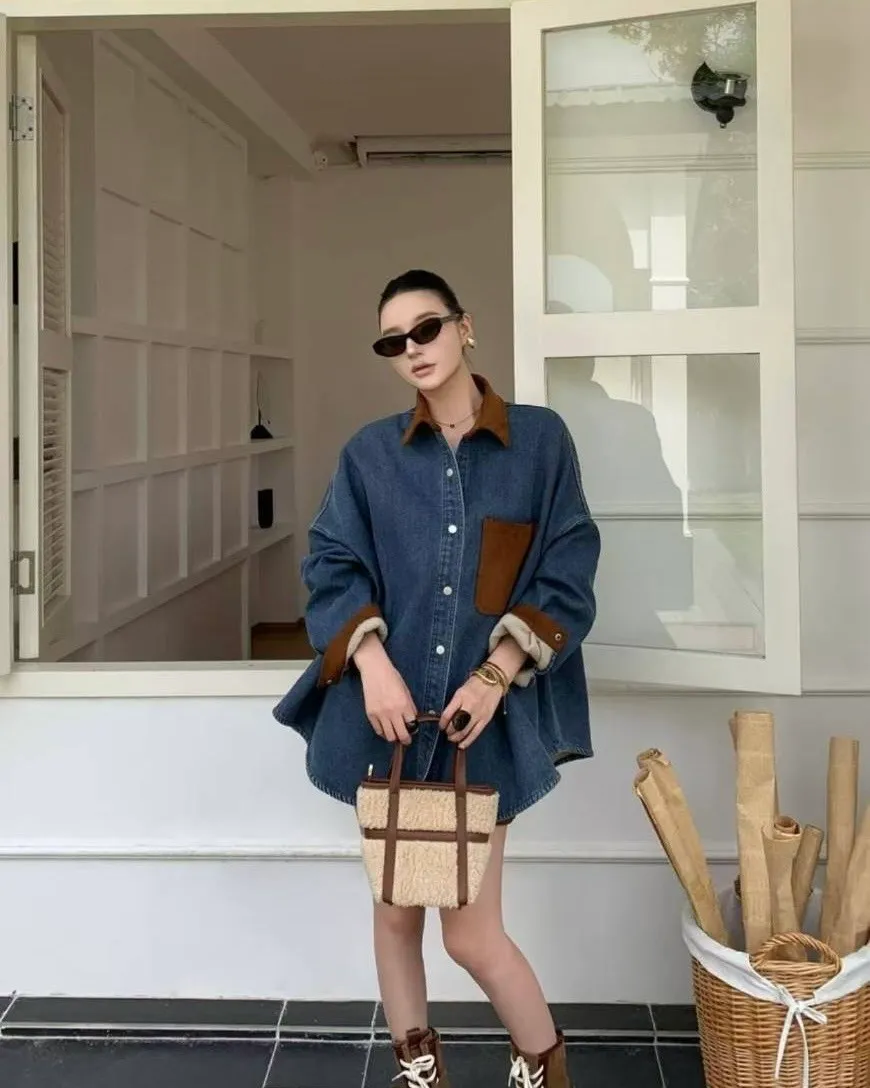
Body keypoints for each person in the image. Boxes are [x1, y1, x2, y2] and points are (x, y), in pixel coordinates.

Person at [273, 270, 600, 1088]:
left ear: (464, 326)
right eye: (394, 341)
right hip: (387, 723)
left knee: (471, 935)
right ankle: (419, 1075)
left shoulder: (540, 442)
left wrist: (496, 673)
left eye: (426, 328)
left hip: (480, 730)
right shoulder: (370, 455)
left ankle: (544, 1071)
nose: (412, 349)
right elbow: (332, 564)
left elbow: (567, 565)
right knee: (394, 918)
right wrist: (373, 666)